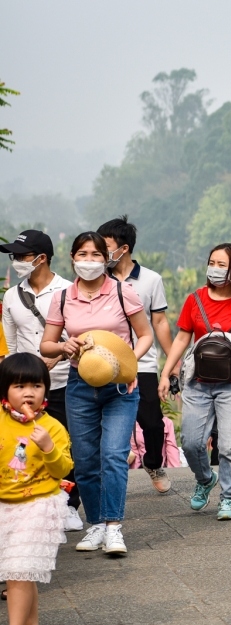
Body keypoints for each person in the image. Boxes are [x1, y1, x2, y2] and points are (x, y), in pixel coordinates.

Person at [41, 232, 152, 557]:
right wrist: (64, 345)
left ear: (107, 259)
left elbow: (145, 335)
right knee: (86, 460)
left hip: (120, 387)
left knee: (114, 455)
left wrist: (129, 365)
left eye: (95, 254)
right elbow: (46, 345)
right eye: (82, 254)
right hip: (79, 384)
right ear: (73, 257)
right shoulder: (63, 298)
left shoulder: (122, 292)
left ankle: (114, 527)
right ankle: (97, 524)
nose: (88, 260)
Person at [158, 243, 231, 521]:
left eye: (222, 265)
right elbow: (182, 337)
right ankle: (205, 478)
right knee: (192, 443)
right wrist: (166, 372)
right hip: (197, 382)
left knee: (230, 446)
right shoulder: (195, 299)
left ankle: (228, 498)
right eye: (212, 263)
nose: (215, 269)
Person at [0, 231, 82, 531]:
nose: (17, 261)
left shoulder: (69, 291)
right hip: (26, 389)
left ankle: (71, 505)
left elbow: (79, 335)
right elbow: (9, 348)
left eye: (21, 256)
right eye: (15, 256)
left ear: (41, 258)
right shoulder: (11, 296)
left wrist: (57, 357)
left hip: (65, 380)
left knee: (69, 445)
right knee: (24, 446)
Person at [0, 354, 73, 625]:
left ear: (46, 389)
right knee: (21, 571)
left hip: (39, 503)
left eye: (36, 385)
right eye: (19, 386)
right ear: (5, 391)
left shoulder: (52, 427)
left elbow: (64, 469)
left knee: (18, 571)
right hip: (5, 504)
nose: (28, 393)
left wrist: (47, 447)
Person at [97, 216, 176, 494]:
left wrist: (172, 362)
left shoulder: (151, 280)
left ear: (125, 248)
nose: (100, 253)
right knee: (103, 422)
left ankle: (153, 462)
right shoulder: (95, 278)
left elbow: (160, 323)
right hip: (102, 363)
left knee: (152, 421)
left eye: (105, 247)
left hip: (142, 363)